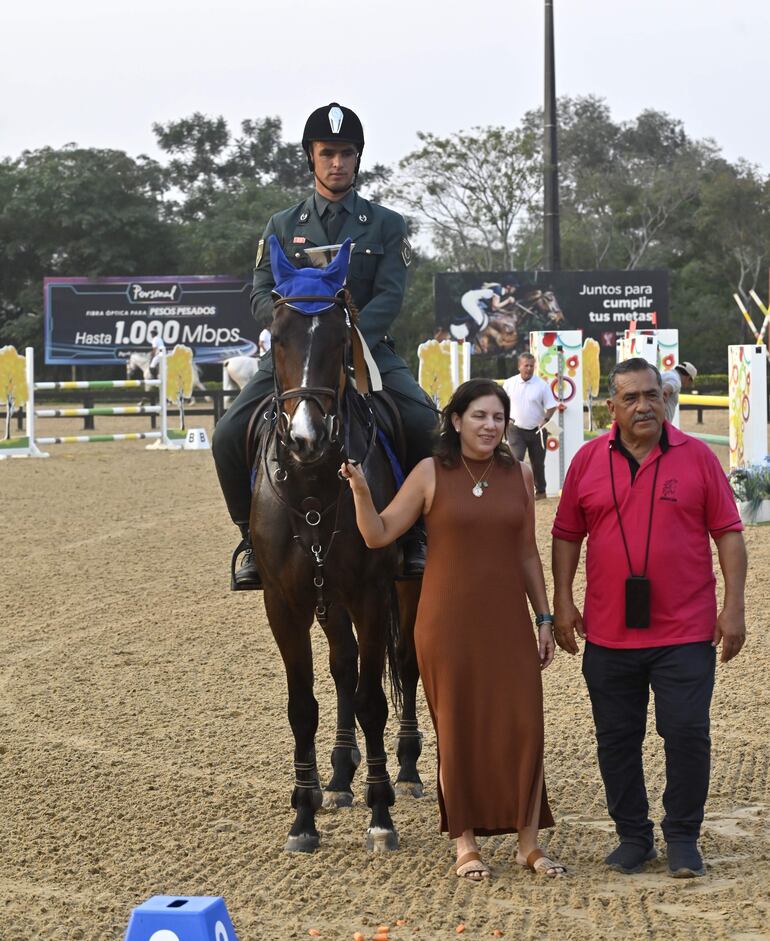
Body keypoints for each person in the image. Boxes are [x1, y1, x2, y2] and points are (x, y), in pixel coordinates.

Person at [340, 378, 566, 880]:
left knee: (524, 726)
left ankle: (528, 844)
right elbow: (377, 534)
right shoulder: (429, 473)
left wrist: (544, 617)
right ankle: (465, 844)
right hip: (446, 623)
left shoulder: (521, 475)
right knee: (457, 728)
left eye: (498, 417)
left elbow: (527, 551)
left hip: (508, 619)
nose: (490, 426)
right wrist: (360, 490)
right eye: (480, 416)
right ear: (456, 420)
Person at [211, 101, 437, 589]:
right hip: (295, 355)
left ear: (358, 159)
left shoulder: (386, 224)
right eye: (328, 152)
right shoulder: (280, 225)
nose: (338, 163)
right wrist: (288, 328)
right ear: (310, 157)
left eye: (347, 153)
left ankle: (414, 533)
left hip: (368, 350)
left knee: (422, 422)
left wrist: (353, 337)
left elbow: (390, 294)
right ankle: (249, 539)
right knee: (227, 435)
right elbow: (258, 291)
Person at [552, 357, 746, 878]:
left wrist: (734, 606)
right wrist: (563, 599)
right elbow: (567, 534)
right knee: (616, 737)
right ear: (610, 406)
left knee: (686, 732)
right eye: (631, 398)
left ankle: (683, 836)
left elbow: (728, 532)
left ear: (666, 400)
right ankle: (633, 837)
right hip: (609, 633)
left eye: (652, 396)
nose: (644, 406)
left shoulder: (699, 458)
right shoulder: (588, 461)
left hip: (684, 630)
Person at [503, 352, 560, 500]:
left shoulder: (542, 385)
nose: (528, 368)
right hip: (515, 429)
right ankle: (515, 492)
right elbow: (501, 403)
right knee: (516, 460)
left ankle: (541, 491)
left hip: (537, 430)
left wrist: (546, 419)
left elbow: (552, 406)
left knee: (538, 464)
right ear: (519, 367)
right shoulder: (509, 384)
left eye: (531, 366)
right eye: (525, 365)